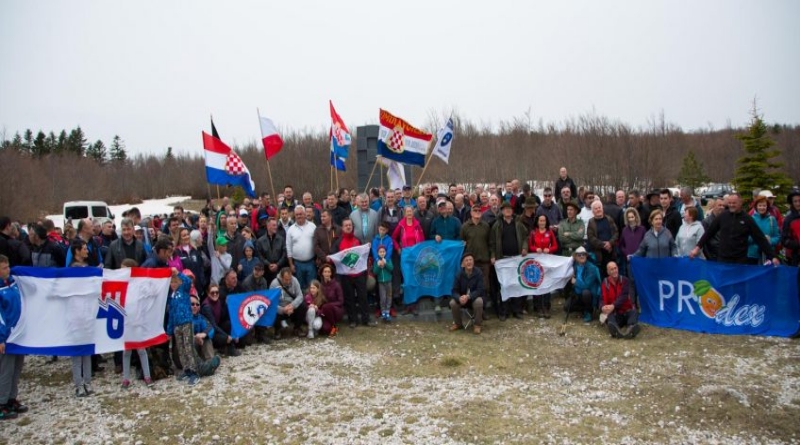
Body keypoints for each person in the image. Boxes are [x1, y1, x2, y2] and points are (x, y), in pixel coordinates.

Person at [691, 193, 780, 266]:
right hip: (723, 260)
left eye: (734, 203)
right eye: (729, 203)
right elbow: (709, 233)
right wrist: (697, 247)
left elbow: (760, 238)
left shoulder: (747, 219)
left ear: (740, 203)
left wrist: (772, 256)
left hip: (739, 262)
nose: (731, 205)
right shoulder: (723, 216)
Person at [333, 218, 376, 328]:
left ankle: (365, 319)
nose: (348, 227)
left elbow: (363, 257)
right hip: (345, 276)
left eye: (350, 225)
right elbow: (335, 258)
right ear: (342, 228)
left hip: (359, 274)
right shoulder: (338, 242)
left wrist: (367, 248)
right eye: (346, 225)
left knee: (363, 297)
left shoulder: (358, 240)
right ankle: (353, 320)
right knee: (349, 298)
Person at [489, 202, 528, 320]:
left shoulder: (518, 224)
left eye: (509, 209)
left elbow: (526, 236)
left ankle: (517, 310)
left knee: (516, 284)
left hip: (516, 259)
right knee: (504, 285)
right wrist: (493, 255)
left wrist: (525, 247)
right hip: (503, 260)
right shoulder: (497, 225)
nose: (508, 211)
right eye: (505, 209)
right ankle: (503, 311)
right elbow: (492, 242)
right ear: (502, 211)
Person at [0, 254, 28, 419]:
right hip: (7, 336)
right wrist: (1, 337)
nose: (8, 269)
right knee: (6, 370)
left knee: (17, 368)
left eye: (8, 266)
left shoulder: (12, 283)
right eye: (4, 267)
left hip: (18, 334)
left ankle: (11, 398)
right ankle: (2, 403)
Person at [68, 239, 94, 397]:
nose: (87, 251)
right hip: (76, 313)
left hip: (87, 312)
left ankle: (88, 381)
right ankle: (78, 384)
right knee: (77, 351)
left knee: (87, 350)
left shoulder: (87, 267)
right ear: (77, 251)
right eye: (84, 249)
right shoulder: (72, 269)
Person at [167, 268, 200, 386]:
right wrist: (169, 329)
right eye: (172, 282)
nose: (174, 284)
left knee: (188, 346)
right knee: (180, 348)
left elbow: (188, 282)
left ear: (179, 282)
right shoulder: (171, 297)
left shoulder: (184, 290)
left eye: (176, 282)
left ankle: (194, 371)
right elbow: (170, 313)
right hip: (176, 325)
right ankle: (186, 369)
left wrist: (178, 273)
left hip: (186, 322)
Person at [528, 214, 559, 317]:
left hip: (547, 261)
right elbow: (530, 246)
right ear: (537, 221)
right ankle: (537, 307)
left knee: (546, 284)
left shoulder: (550, 232)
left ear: (546, 222)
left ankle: (546, 307)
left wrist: (549, 249)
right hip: (536, 262)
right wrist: (535, 249)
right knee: (537, 283)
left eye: (544, 221)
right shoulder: (533, 232)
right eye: (540, 220)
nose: (542, 222)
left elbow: (555, 246)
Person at [600, 262, 640, 339]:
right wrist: (602, 307)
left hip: (626, 310)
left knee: (634, 312)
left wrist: (613, 305)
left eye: (615, 268)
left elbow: (624, 296)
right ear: (608, 272)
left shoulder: (625, 280)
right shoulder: (605, 282)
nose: (614, 271)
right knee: (610, 316)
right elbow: (602, 298)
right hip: (616, 313)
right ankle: (615, 330)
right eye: (611, 269)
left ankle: (631, 328)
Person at [200, 283, 240, 357]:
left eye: (217, 292)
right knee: (225, 337)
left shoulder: (218, 302)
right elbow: (213, 326)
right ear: (208, 293)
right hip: (209, 332)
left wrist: (226, 305)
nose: (215, 294)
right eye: (212, 292)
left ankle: (227, 346)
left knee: (229, 324)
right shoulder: (206, 307)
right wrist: (227, 336)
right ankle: (228, 346)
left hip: (217, 327)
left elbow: (223, 317)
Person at [449, 252, 485, 335]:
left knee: (479, 301)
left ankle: (477, 325)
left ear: (473, 262)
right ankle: (458, 324)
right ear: (463, 264)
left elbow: (480, 290)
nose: (469, 262)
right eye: (466, 260)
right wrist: (459, 298)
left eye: (471, 260)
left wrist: (468, 296)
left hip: (474, 298)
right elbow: (454, 291)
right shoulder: (459, 274)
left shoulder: (478, 272)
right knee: (452, 303)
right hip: (462, 300)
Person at [285, 205, 317, 292]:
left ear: (305, 214)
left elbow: (317, 244)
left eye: (301, 214)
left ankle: (313, 305)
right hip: (297, 264)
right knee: (300, 287)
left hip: (311, 262)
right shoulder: (290, 230)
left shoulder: (312, 226)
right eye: (297, 214)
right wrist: (291, 264)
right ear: (294, 216)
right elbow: (288, 248)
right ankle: (303, 305)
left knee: (312, 287)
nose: (299, 216)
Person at [270, 267, 308, 337]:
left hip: (291, 307)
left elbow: (300, 296)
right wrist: (282, 310)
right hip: (280, 308)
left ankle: (297, 328)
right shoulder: (274, 284)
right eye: (286, 280)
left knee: (303, 306)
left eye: (289, 279)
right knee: (271, 310)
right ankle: (277, 330)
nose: (288, 281)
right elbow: (271, 302)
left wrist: (292, 305)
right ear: (281, 277)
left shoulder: (294, 280)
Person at [569, 246, 601, 323]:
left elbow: (586, 285)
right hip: (578, 293)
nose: (582, 256)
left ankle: (589, 311)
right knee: (567, 307)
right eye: (579, 255)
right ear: (575, 257)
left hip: (590, 294)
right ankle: (583, 309)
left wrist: (575, 282)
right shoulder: (575, 266)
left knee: (585, 293)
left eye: (583, 254)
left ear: (586, 256)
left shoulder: (592, 268)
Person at [586, 201, 618, 277]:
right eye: (595, 208)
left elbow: (616, 232)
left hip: (611, 252)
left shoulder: (609, 219)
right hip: (599, 254)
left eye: (599, 207)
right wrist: (603, 244)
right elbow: (591, 238)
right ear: (593, 211)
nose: (598, 210)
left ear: (602, 208)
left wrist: (610, 243)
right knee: (601, 275)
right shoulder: (591, 222)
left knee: (612, 274)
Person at [747, 196, 780, 265]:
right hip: (753, 256)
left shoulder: (772, 219)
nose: (762, 208)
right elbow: (746, 237)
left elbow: (777, 237)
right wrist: (759, 239)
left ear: (767, 207)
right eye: (760, 205)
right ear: (756, 207)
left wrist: (770, 240)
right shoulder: (750, 219)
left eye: (764, 205)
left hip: (768, 256)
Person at [317, 264, 345, 337]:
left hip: (337, 310)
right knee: (324, 329)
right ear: (322, 273)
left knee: (326, 307)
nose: (327, 273)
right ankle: (331, 326)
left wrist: (329, 305)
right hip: (325, 311)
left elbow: (341, 301)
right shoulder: (320, 285)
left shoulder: (336, 285)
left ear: (331, 273)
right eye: (325, 272)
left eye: (328, 272)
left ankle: (334, 326)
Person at [372, 245, 394, 322]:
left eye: (383, 251)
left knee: (389, 296)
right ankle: (383, 312)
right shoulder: (376, 262)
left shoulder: (388, 260)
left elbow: (391, 268)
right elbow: (375, 272)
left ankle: (388, 311)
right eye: (380, 252)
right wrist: (379, 266)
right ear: (378, 253)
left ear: (385, 252)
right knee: (383, 297)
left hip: (388, 281)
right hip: (381, 282)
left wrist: (385, 264)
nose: (382, 253)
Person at [781, 190, 800, 266]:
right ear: (792, 203)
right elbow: (784, 240)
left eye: (799, 201)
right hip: (794, 257)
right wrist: (798, 243)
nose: (798, 203)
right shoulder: (788, 219)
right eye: (795, 201)